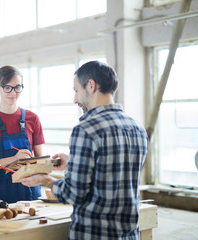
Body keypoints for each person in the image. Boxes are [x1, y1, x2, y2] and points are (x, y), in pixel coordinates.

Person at [20, 61, 149, 239]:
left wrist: (45, 180)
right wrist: (73, 161)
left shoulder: (86, 129)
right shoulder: (137, 128)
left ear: (91, 85)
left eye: (76, 90)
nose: (75, 99)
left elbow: (73, 194)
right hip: (129, 233)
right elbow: (113, 171)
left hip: (94, 233)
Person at [0, 65, 45, 203]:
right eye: (7, 87)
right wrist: (13, 159)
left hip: (30, 192)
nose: (13, 93)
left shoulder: (32, 118)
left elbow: (41, 159)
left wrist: (33, 163)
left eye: (17, 87)